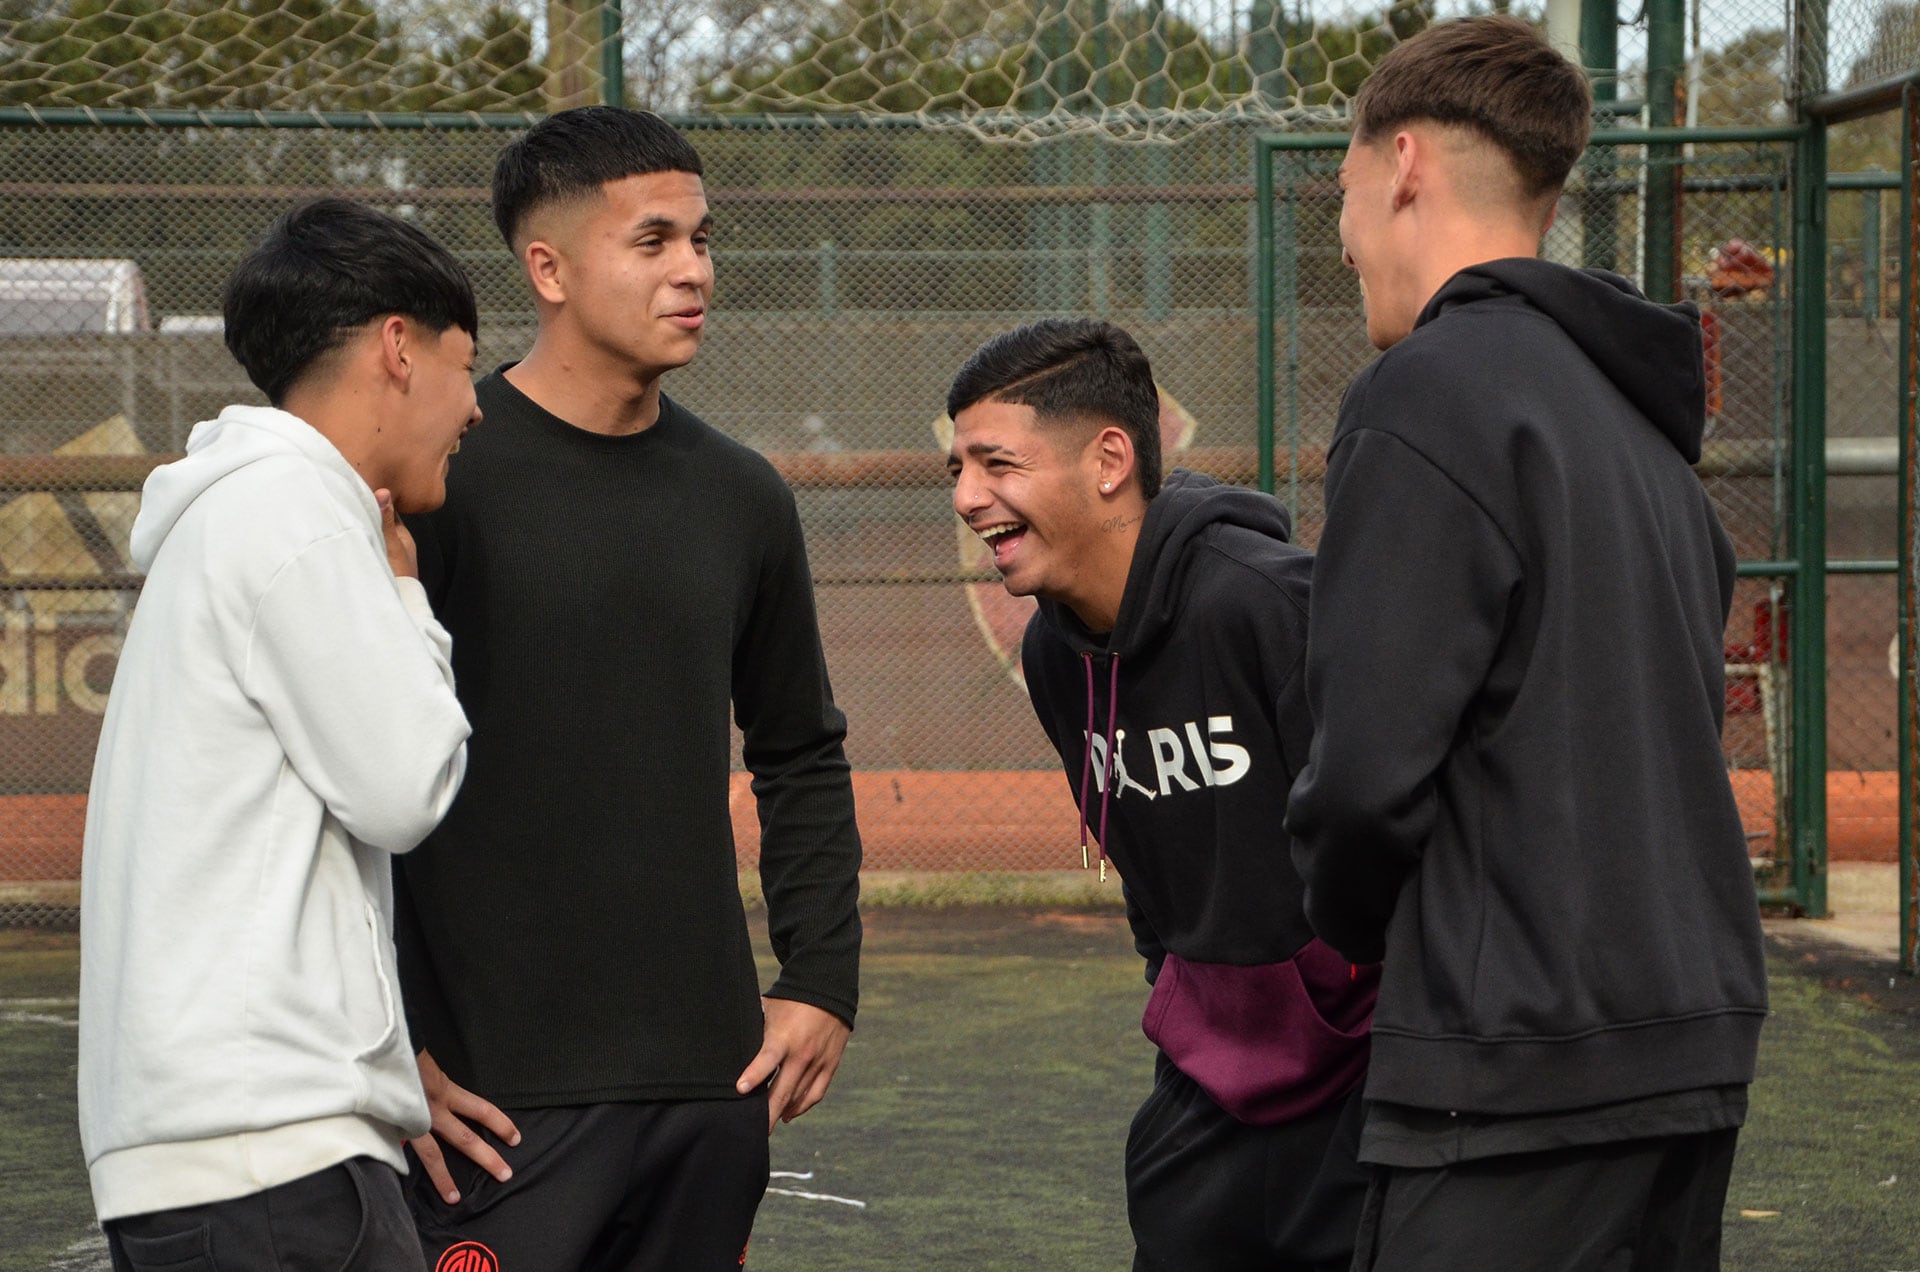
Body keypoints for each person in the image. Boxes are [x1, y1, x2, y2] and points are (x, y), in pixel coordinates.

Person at [1284, 16, 1769, 1269]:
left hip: (1512, 1073)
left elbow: (1363, 777)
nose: (1342, 239)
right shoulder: (1644, 430)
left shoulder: (1426, 393)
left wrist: (1351, 931)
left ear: (1400, 167)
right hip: (1687, 1046)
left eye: (1339, 194)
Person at [394, 106, 863, 1271]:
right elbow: (360, 780)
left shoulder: (743, 495)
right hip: (493, 1099)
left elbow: (800, 749)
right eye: (654, 242)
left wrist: (821, 978)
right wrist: (387, 1036)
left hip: (711, 1086)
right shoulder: (442, 471)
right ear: (545, 268)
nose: (695, 271)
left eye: (703, 240)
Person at [77, 198, 481, 1268]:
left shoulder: (239, 515)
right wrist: (407, 600)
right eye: (465, 365)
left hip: (229, 1153)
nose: (474, 408)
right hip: (268, 1166)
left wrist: (386, 1061)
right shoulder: (296, 517)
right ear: (399, 348)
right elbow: (404, 785)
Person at [946, 319, 1375, 1271]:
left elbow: (1393, 843)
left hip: (1362, 1089)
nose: (970, 497)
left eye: (996, 464)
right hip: (1207, 1088)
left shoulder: (1271, 606)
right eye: (958, 470)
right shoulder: (1057, 649)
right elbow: (1149, 877)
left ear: (1109, 459)